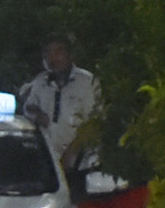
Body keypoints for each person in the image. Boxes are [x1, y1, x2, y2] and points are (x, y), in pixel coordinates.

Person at [18, 34, 102, 170]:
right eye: (48, 53)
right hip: (49, 162)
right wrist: (38, 115)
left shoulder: (86, 82)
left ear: (69, 54)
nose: (53, 58)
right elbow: (28, 108)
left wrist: (73, 151)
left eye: (58, 52)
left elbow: (94, 122)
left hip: (81, 163)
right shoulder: (41, 82)